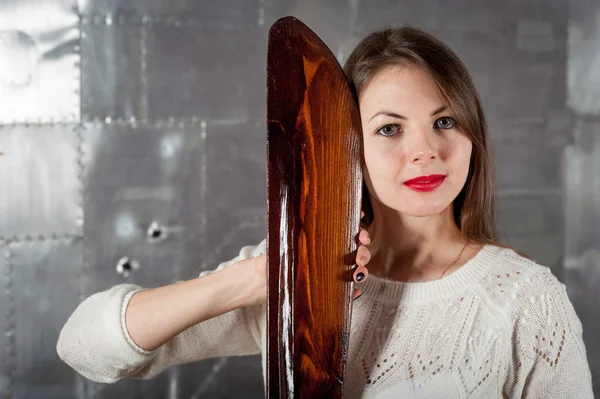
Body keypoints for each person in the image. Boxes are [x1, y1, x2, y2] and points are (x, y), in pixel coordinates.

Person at [57, 26, 594, 398]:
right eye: (390, 128)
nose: (426, 149)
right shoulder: (300, 273)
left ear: (474, 132)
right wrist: (259, 278)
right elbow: (84, 346)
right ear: (349, 147)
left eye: (446, 121)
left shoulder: (527, 299)